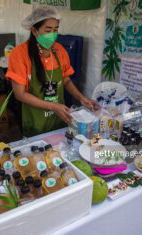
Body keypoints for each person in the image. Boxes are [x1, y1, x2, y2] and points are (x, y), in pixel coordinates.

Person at [6, 6, 98, 137]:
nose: (53, 34)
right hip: (35, 119)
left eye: (56, 29)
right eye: (48, 30)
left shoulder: (59, 50)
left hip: (59, 117)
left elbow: (65, 79)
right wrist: (52, 106)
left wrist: (81, 98)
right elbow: (20, 94)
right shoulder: (19, 54)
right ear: (34, 30)